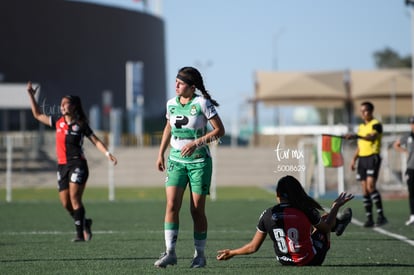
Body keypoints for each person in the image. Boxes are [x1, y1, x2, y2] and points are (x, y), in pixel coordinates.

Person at [26, 81, 118, 242]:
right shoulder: (57, 121)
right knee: (65, 203)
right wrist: (31, 96)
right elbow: (37, 115)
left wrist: (107, 153)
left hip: (78, 164)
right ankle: (85, 222)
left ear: (74, 107)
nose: (62, 106)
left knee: (75, 199)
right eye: (61, 104)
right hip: (62, 166)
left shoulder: (81, 124)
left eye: (65, 104)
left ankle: (79, 235)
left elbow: (95, 140)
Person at [154, 66, 225, 268]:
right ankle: (170, 253)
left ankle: (200, 255)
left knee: (196, 210)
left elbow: (220, 130)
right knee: (171, 206)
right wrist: (160, 153)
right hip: (176, 161)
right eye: (175, 81)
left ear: (192, 87)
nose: (176, 85)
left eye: (181, 82)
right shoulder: (171, 104)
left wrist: (196, 143)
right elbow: (168, 127)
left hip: (199, 163)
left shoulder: (202, 103)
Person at [216, 175, 354, 266]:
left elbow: (253, 247)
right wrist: (336, 206)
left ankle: (339, 224)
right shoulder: (306, 209)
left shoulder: (267, 214)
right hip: (312, 260)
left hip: (285, 261)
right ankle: (339, 224)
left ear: (277, 194)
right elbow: (326, 228)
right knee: (324, 220)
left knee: (308, 227)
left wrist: (232, 253)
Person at [345, 101, 387, 227]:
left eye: (365, 111)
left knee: (370, 186)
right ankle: (370, 219)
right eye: (361, 111)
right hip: (362, 159)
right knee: (364, 190)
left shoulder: (376, 125)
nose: (363, 113)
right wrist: (354, 159)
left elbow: (372, 137)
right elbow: (360, 146)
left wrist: (356, 136)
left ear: (371, 111)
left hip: (372, 157)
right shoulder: (361, 127)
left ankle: (381, 216)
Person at [393, 116, 414, 226]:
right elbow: (396, 144)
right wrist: (405, 151)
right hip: (411, 168)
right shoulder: (408, 136)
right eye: (412, 123)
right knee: (411, 192)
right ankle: (412, 216)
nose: (413, 125)